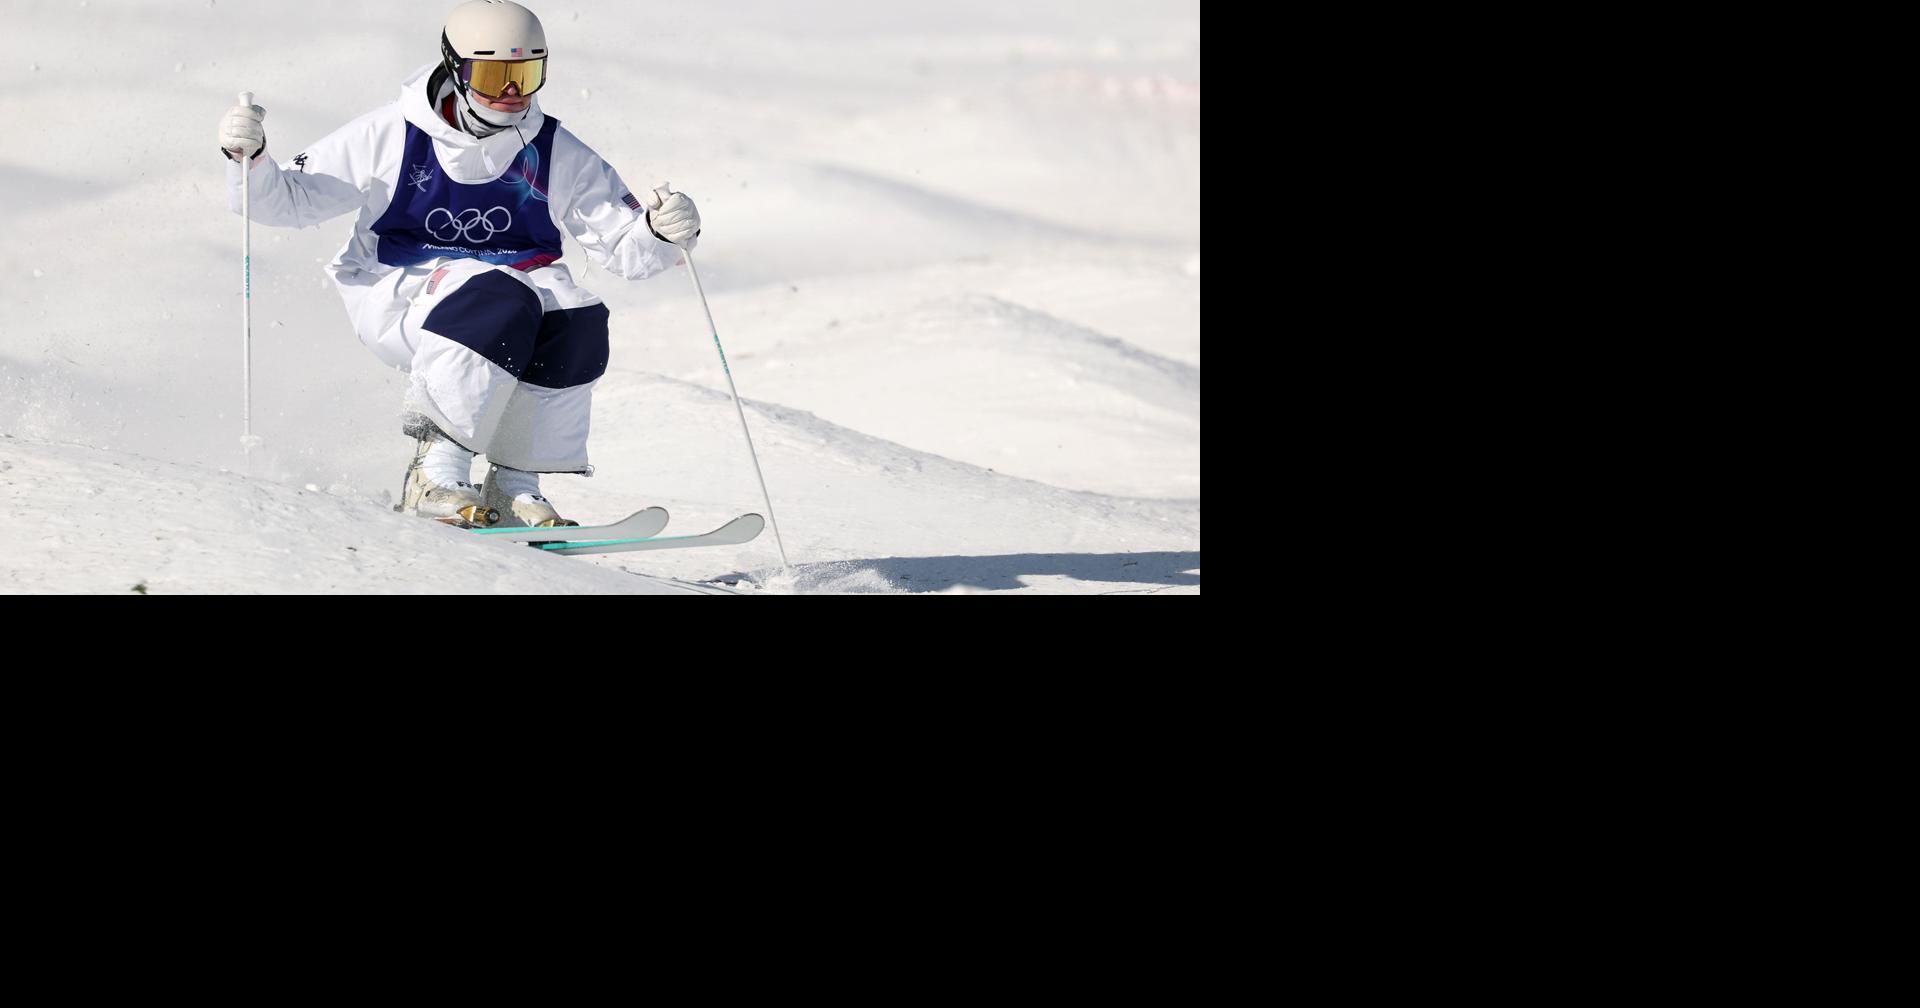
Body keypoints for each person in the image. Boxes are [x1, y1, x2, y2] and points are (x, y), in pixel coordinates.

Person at [217, 0, 701, 528]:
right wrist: (252, 160)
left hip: (505, 298)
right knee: (497, 291)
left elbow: (626, 249)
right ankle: (435, 472)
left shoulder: (553, 148)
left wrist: (661, 231)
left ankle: (514, 484)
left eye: (526, 74)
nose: (512, 93)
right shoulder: (392, 133)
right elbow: (285, 201)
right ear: (456, 68)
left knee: (576, 315)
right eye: (494, 76)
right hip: (398, 292)